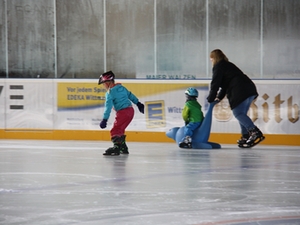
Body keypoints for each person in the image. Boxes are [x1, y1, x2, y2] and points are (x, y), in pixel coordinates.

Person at [206, 49, 265, 148]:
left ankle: (254, 132)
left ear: (213, 58)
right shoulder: (228, 65)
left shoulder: (218, 66)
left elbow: (215, 83)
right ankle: (246, 136)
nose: (211, 61)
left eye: (211, 58)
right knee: (241, 114)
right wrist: (219, 98)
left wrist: (211, 98)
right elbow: (225, 85)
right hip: (249, 89)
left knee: (238, 113)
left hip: (240, 90)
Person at [98, 71, 145, 155]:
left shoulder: (110, 93)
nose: (103, 86)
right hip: (130, 111)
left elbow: (108, 107)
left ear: (108, 82)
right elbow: (130, 95)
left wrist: (104, 119)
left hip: (123, 112)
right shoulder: (121, 88)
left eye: (104, 83)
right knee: (120, 129)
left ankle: (117, 147)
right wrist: (138, 104)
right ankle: (123, 147)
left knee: (115, 130)